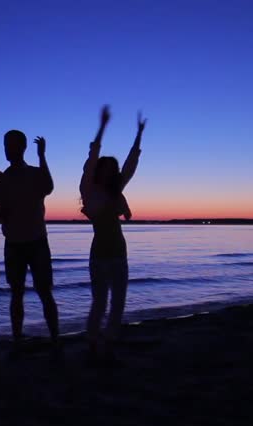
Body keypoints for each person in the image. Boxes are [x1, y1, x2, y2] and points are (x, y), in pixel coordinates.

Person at [0, 128, 60, 359]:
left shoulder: (34, 174)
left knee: (44, 291)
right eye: (6, 144)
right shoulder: (4, 179)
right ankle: (18, 336)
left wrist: (42, 156)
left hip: (37, 241)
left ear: (23, 147)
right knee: (16, 293)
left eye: (13, 145)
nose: (9, 149)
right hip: (14, 244)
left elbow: (48, 186)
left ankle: (55, 338)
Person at [79, 105, 146, 362]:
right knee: (99, 302)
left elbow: (131, 164)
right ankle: (93, 341)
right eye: (103, 168)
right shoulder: (89, 190)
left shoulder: (118, 189)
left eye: (111, 168)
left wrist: (139, 134)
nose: (108, 171)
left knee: (118, 301)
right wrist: (103, 126)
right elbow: (93, 155)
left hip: (119, 250)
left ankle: (109, 340)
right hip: (99, 254)